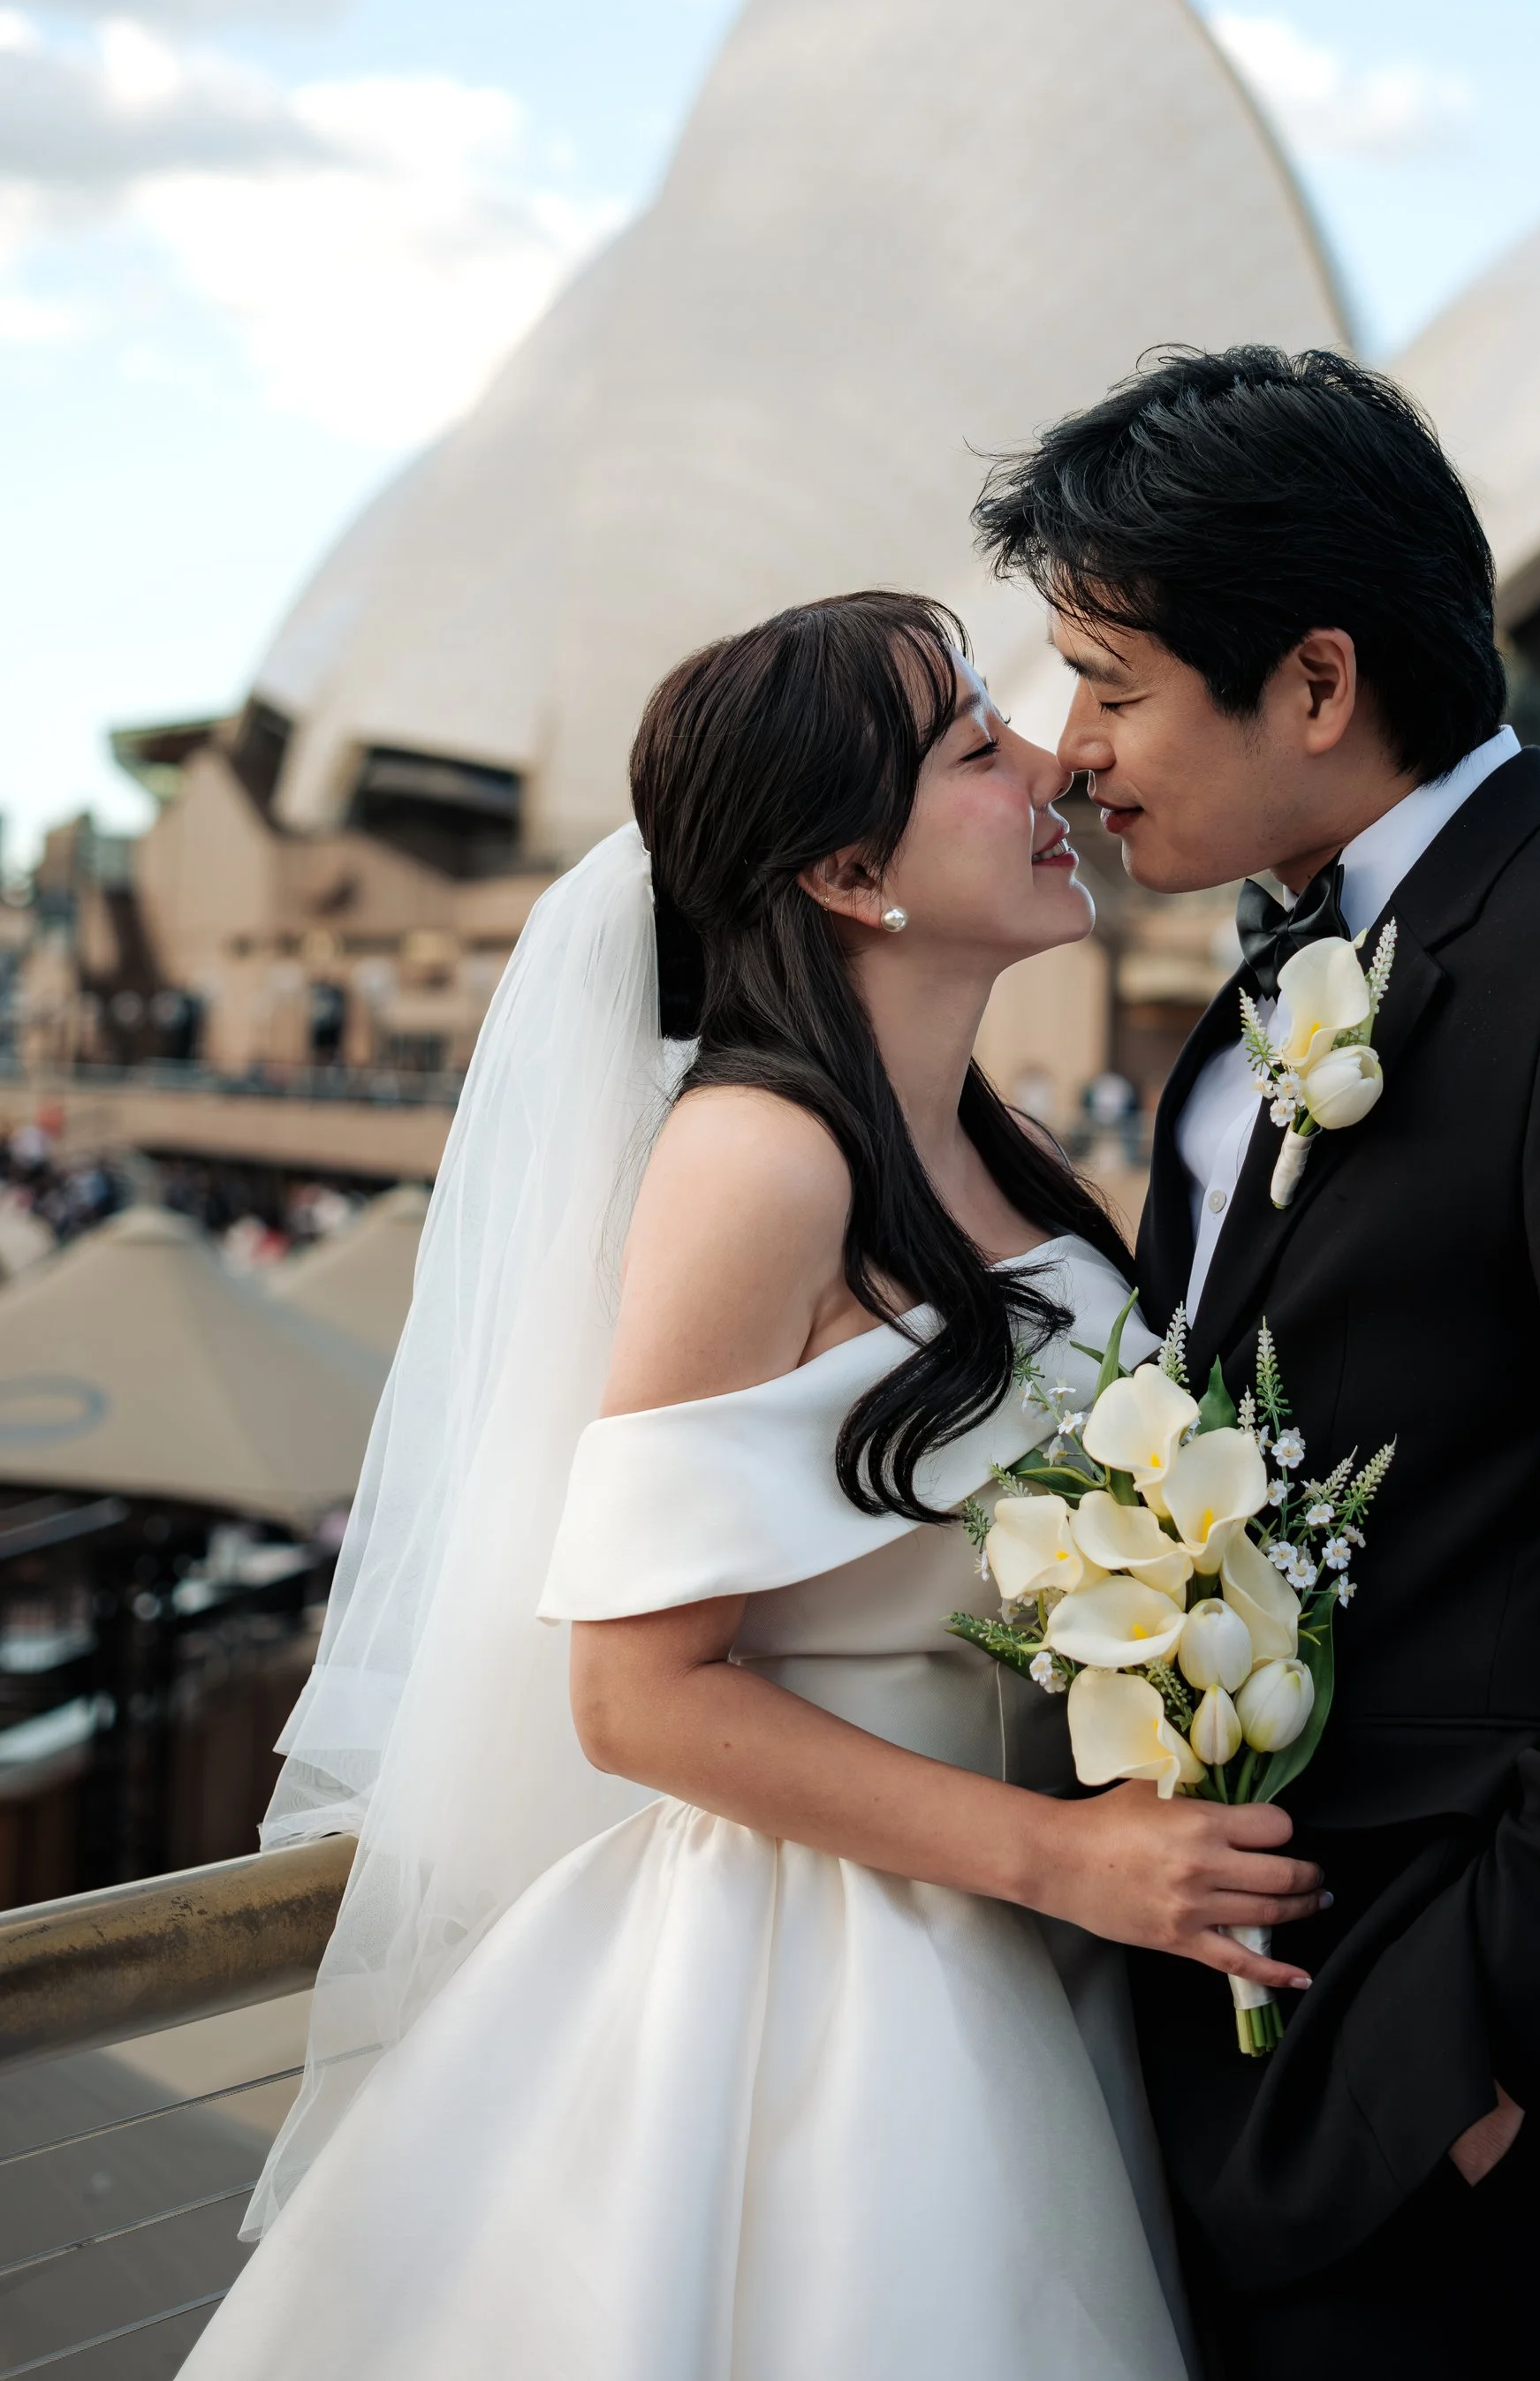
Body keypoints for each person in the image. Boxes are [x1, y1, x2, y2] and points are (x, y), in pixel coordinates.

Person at [182, 592, 1337, 2379]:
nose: (1050, 765)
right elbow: (630, 1694)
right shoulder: (756, 1160)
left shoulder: (994, 1151)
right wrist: (1061, 1858)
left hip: (1053, 1935)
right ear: (846, 874)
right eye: (976, 746)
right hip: (836, 1988)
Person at [975, 347, 1540, 2381]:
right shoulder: (1258, 995)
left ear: (1310, 680)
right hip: (1250, 2068)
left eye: (1111, 684)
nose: (1074, 750)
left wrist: (1481, 2046)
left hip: (1469, 2108)